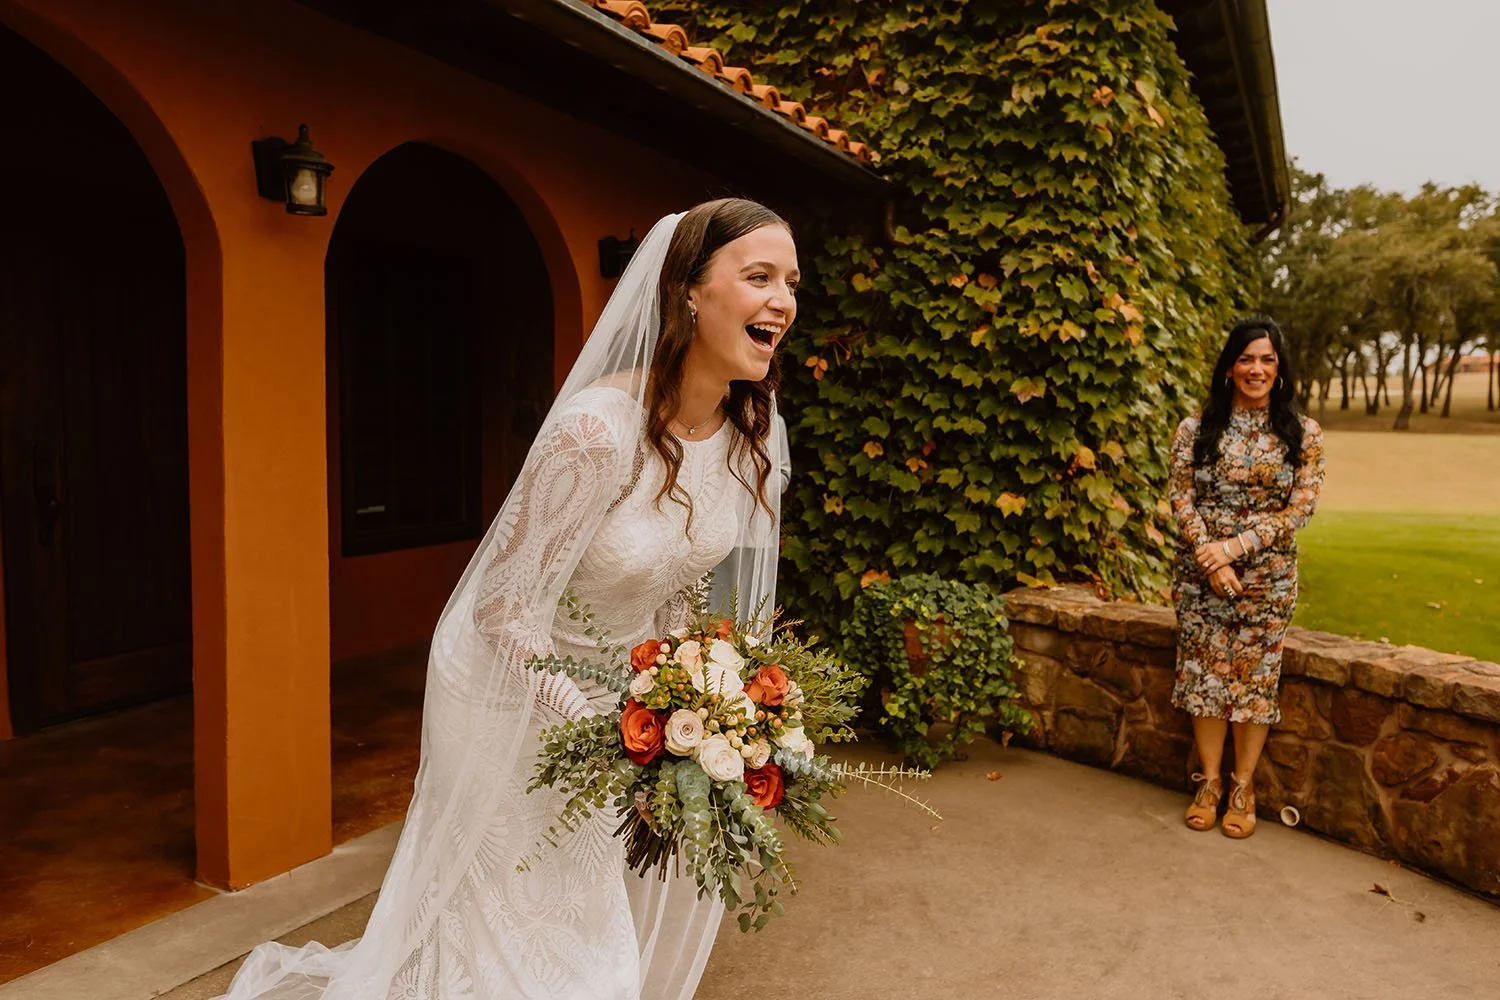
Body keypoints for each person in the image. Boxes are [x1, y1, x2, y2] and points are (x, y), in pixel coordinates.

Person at [216, 198, 797, 999]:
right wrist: (600, 729)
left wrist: (692, 697)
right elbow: (503, 611)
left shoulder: (748, 436)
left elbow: (680, 585)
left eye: (791, 285)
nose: (782, 302)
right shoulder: (597, 432)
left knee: (585, 916)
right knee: (519, 915)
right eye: (759, 277)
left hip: (612, 696)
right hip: (504, 681)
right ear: (688, 294)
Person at [1168, 316, 1325, 839]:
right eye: (1246, 358)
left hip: (1268, 578)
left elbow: (1298, 510)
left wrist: (1232, 549)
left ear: (1279, 371)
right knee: (1206, 676)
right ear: (1230, 367)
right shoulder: (1195, 429)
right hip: (1199, 577)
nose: (1256, 369)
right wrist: (1210, 559)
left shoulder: (1303, 434)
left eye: (1267, 359)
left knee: (1254, 683)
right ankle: (1209, 782)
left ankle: (1243, 785)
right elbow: (1181, 497)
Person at [708, 410, 790, 617]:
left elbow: (784, 476)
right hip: (718, 527)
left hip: (755, 532)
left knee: (747, 606)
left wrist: (758, 473)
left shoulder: (775, 424)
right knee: (713, 603)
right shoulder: (719, 418)